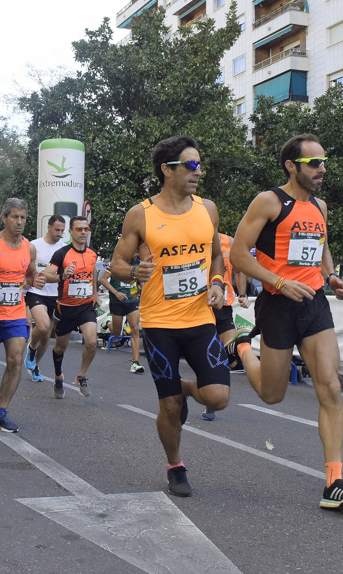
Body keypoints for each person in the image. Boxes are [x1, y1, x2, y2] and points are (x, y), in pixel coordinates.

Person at [230, 133, 343, 511]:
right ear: (292, 166)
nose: (322, 169)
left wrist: (331, 275)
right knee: (272, 395)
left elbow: (321, 248)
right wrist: (278, 282)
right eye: (314, 163)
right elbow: (240, 256)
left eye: (324, 162)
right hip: (277, 304)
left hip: (313, 304)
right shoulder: (269, 201)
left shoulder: (320, 206)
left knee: (331, 387)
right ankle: (242, 346)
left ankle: (334, 482)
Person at [109, 136, 230, 497]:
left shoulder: (207, 209)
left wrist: (219, 282)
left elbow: (216, 256)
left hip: (200, 317)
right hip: (160, 322)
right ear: (167, 169)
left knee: (218, 397)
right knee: (169, 405)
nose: (198, 172)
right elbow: (116, 263)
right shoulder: (141, 214)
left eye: (199, 165)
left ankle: (185, 391)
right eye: (190, 165)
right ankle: (175, 466)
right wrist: (134, 273)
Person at [0, 198, 37, 432]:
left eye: (23, 217)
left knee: (15, 360)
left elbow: (31, 274)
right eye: (15, 217)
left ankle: (1, 411)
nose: (19, 221)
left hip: (15, 313)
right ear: (4, 218)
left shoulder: (28, 247)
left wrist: (34, 281)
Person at [44, 215, 101, 399]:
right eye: (79, 229)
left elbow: (92, 274)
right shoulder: (62, 254)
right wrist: (62, 276)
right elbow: (47, 274)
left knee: (92, 342)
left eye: (86, 229)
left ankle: (81, 376)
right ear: (70, 231)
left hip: (86, 306)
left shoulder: (92, 253)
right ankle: (58, 376)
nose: (83, 232)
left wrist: (96, 293)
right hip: (66, 307)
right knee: (61, 347)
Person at [202, 232, 257, 421]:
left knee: (231, 359)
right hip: (200, 306)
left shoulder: (228, 241)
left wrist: (242, 294)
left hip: (223, 304)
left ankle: (211, 396)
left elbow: (238, 270)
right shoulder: (193, 237)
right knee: (207, 356)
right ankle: (211, 403)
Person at [24, 216, 67, 382]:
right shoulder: (34, 245)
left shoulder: (64, 248)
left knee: (47, 335)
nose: (59, 233)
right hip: (37, 292)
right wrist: (25, 280)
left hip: (55, 295)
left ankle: (35, 365)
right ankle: (31, 348)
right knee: (42, 327)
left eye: (62, 230)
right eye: (57, 230)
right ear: (48, 227)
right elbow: (24, 267)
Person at [98, 252, 145, 374]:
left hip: (132, 300)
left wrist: (141, 289)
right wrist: (115, 292)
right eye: (133, 250)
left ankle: (135, 363)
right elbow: (103, 280)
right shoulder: (116, 264)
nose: (136, 253)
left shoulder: (139, 264)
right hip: (117, 301)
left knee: (134, 329)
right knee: (117, 333)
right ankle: (108, 324)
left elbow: (140, 282)